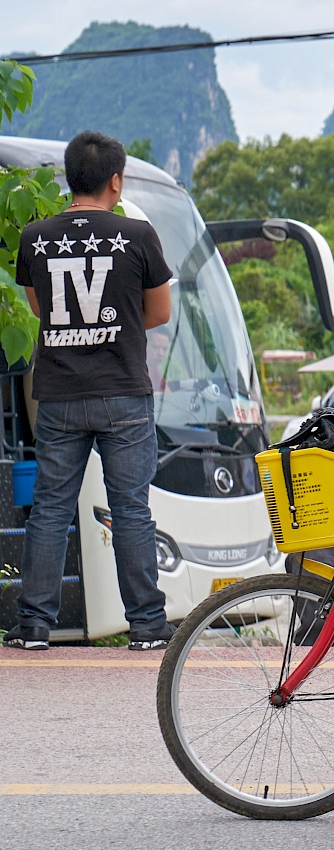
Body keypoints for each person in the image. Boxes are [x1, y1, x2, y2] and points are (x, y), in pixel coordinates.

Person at [3, 131, 174, 652]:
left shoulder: (35, 236)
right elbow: (160, 313)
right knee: (130, 510)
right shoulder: (138, 234)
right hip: (123, 391)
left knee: (52, 508)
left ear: (69, 178)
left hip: (57, 395)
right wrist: (117, 328)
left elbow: (38, 308)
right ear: (116, 181)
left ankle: (34, 625)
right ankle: (146, 625)